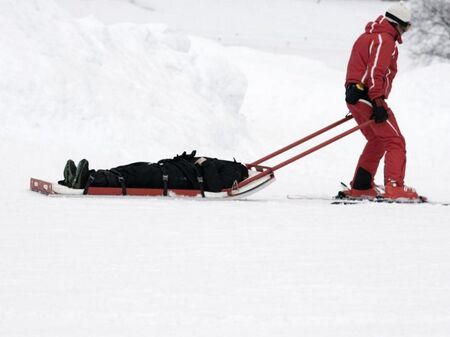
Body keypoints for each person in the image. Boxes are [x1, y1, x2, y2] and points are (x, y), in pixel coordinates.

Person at [343, 1, 419, 200]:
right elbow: (376, 71)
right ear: (397, 24)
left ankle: (361, 187)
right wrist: (377, 101)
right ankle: (395, 187)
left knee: (377, 140)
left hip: (354, 95)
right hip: (368, 96)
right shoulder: (384, 39)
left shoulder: (368, 35)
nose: (405, 31)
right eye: (406, 26)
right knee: (395, 141)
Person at [59, 151, 249, 193]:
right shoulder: (229, 166)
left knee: (135, 177)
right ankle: (86, 176)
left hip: (179, 178)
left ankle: (88, 180)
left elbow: (214, 187)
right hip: (173, 169)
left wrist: (204, 164)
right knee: (132, 169)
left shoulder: (234, 174)